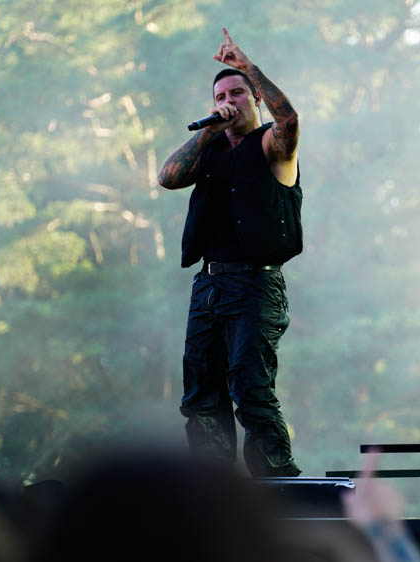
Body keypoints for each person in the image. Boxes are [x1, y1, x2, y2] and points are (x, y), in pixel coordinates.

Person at [158, 27, 302, 477]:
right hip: (208, 285)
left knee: (251, 387)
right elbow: (167, 177)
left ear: (254, 98)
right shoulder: (211, 150)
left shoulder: (272, 145)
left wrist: (249, 69)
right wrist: (208, 132)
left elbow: (290, 120)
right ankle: (212, 484)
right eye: (220, 95)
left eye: (237, 92)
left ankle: (277, 481)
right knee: (201, 393)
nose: (228, 101)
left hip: (255, 283)